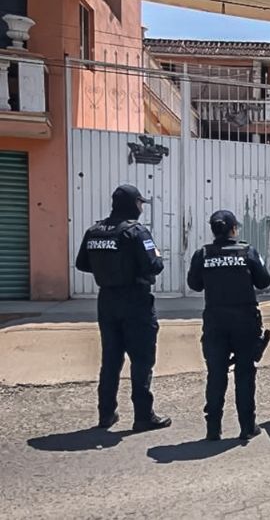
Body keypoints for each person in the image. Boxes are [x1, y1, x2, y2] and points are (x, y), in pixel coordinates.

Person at [75, 184, 171, 432]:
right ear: (132, 204)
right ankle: (143, 416)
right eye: (140, 203)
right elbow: (154, 265)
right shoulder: (136, 231)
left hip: (107, 301)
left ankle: (106, 414)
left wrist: (107, 269)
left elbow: (82, 264)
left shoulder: (94, 231)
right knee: (142, 360)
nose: (141, 207)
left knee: (110, 359)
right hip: (135, 300)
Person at [187, 210, 270, 441]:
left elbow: (194, 284)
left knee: (216, 374)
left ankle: (213, 429)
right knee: (245, 373)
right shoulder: (247, 251)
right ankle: (247, 426)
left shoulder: (203, 254)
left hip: (215, 322)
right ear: (234, 229)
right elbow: (264, 281)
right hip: (245, 322)